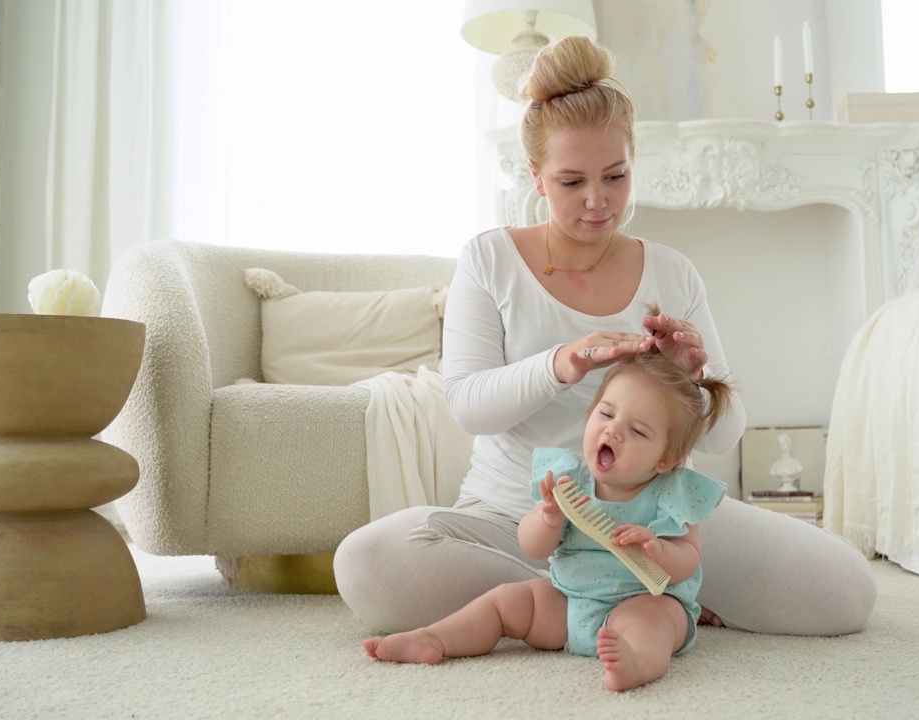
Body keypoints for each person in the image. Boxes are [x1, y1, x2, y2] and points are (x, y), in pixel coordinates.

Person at [333, 35, 874, 643]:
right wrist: (561, 364)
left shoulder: (672, 273)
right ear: (535, 176)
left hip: (655, 522)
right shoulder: (490, 259)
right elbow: (467, 404)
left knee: (847, 591)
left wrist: (691, 381)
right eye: (571, 182)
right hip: (519, 520)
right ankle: (623, 598)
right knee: (367, 562)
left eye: (615, 176)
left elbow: (724, 435)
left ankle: (587, 600)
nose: (598, 201)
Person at [364, 351, 733, 691]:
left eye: (637, 431)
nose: (613, 431)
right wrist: (548, 518)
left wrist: (658, 549)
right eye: (606, 414)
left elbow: (688, 560)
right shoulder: (569, 480)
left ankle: (636, 663)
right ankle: (435, 638)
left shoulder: (672, 496)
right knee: (506, 600)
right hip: (569, 602)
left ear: (665, 459)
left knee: (654, 623)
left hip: (642, 601)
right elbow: (533, 546)